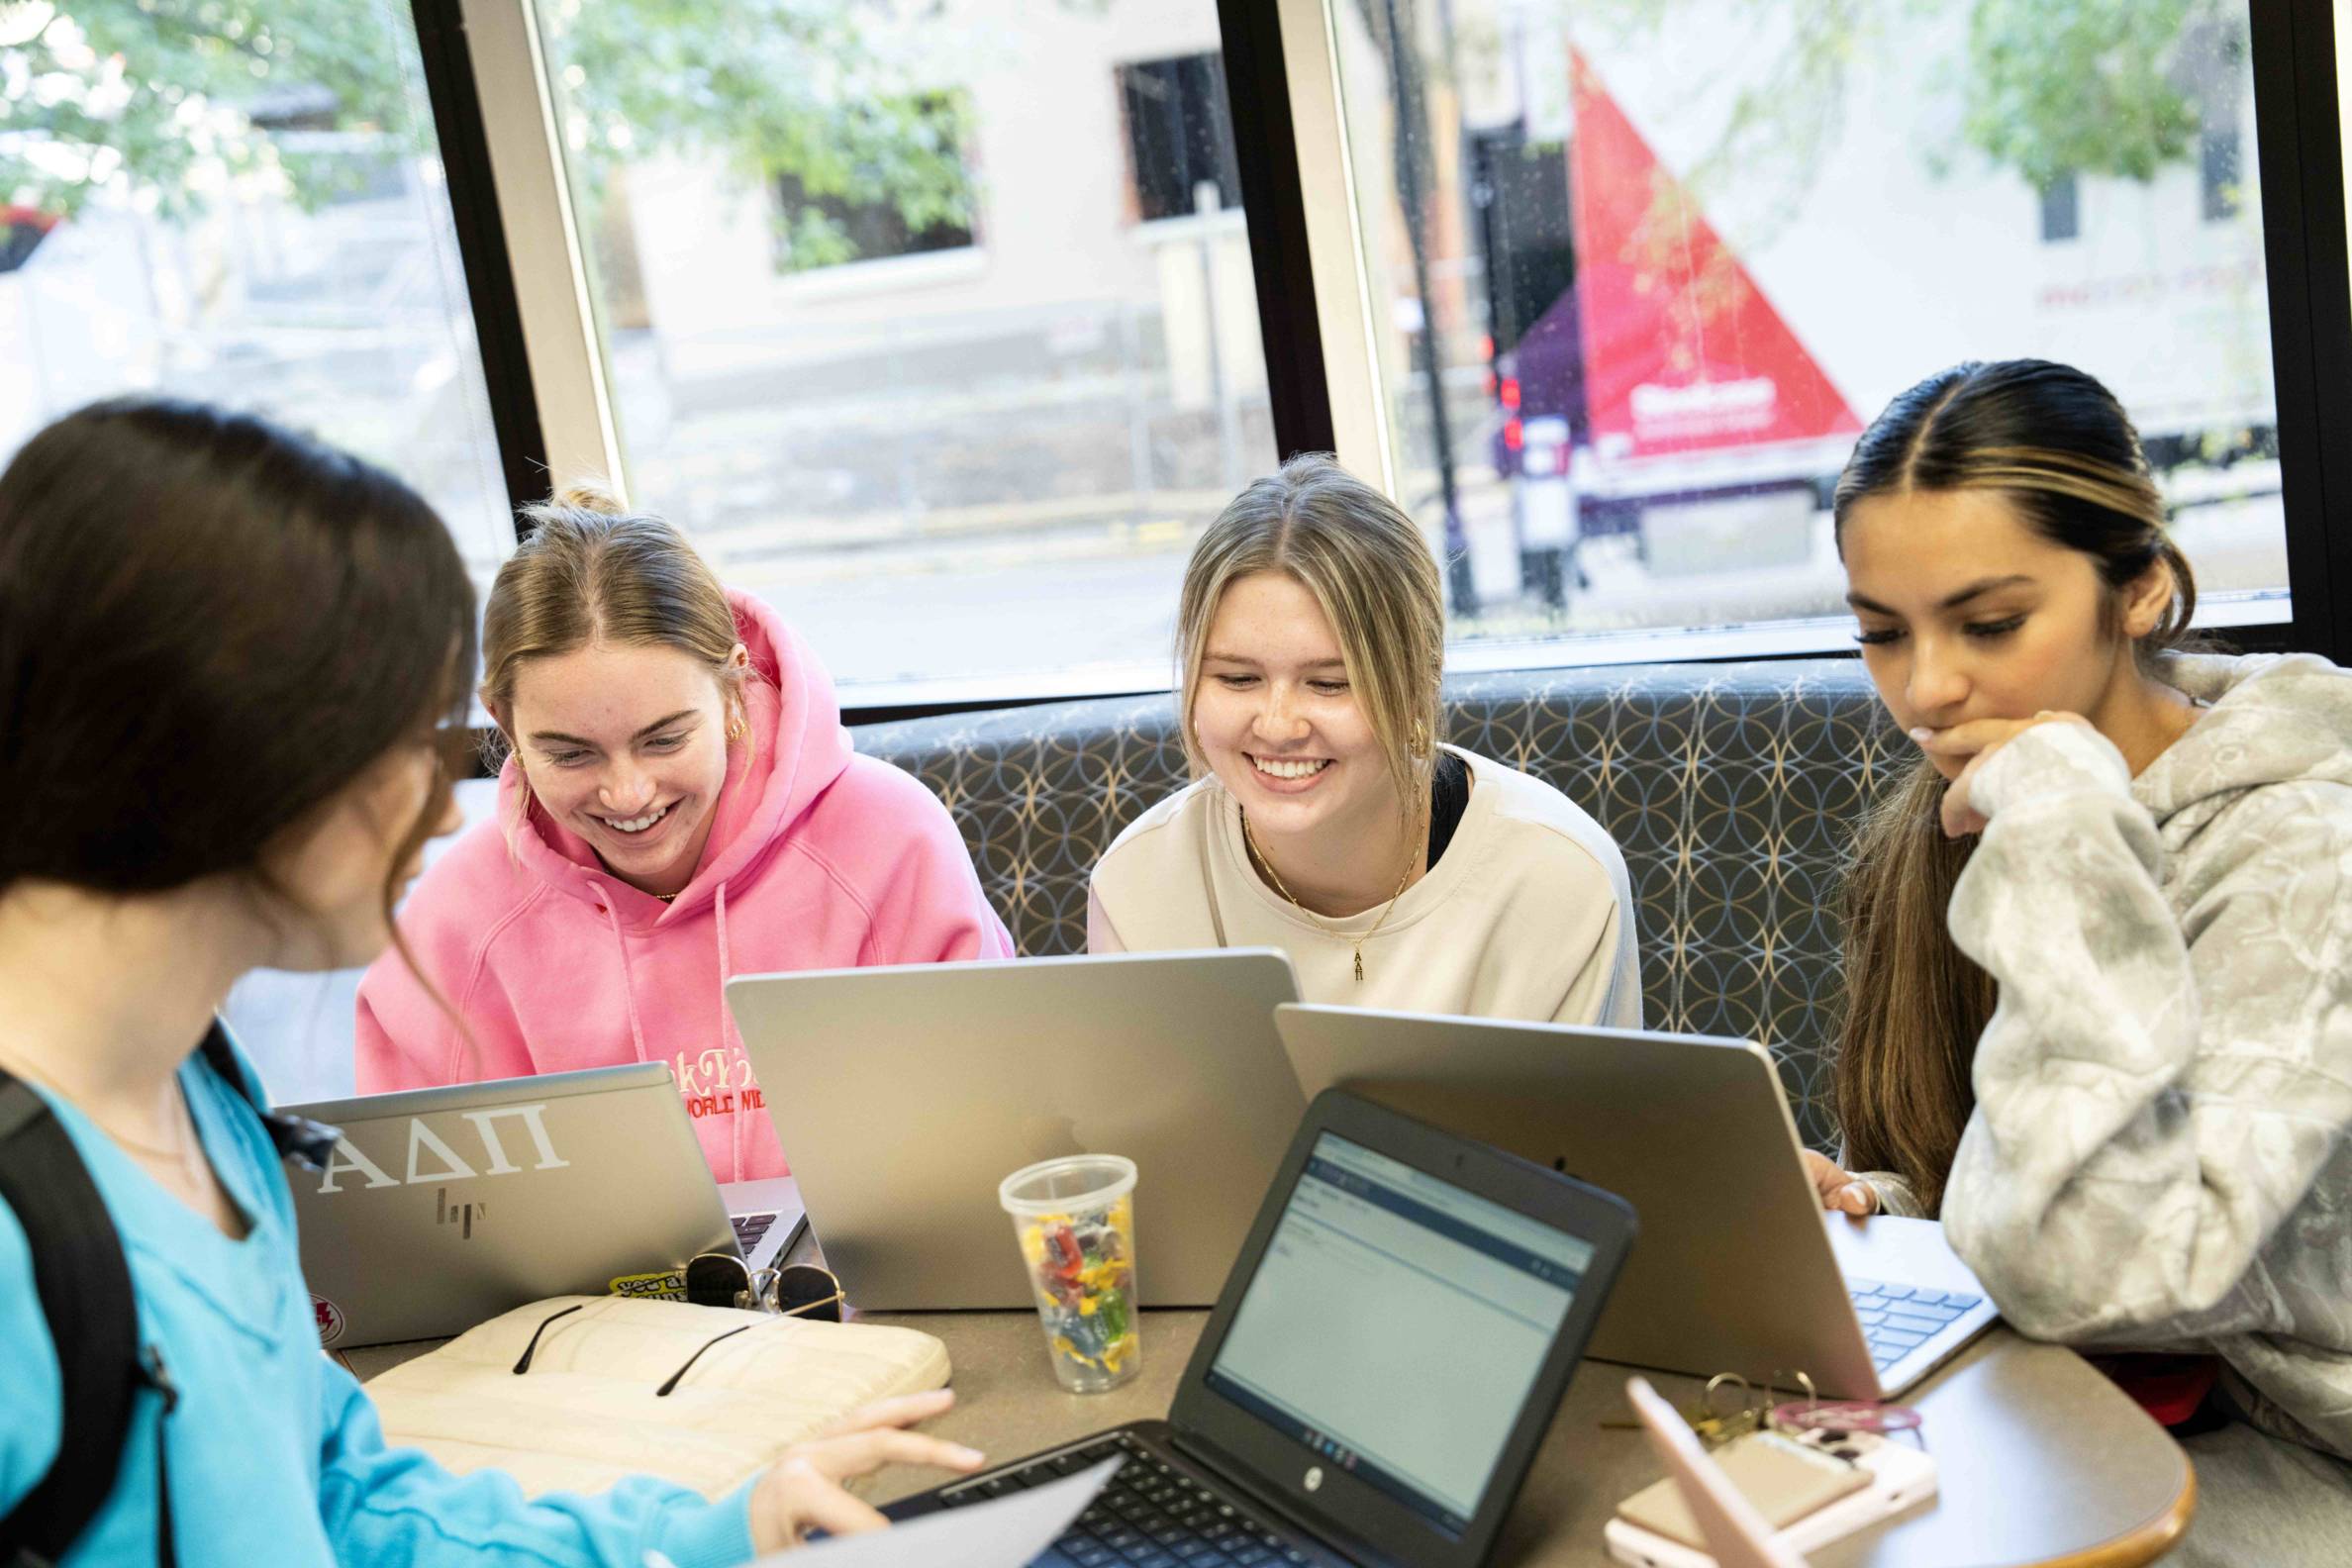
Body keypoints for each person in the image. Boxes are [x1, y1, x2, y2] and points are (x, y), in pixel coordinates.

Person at [0, 399, 983, 1563]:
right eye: (403, 742)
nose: (440, 803)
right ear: (231, 751)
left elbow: (348, 1501)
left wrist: (720, 1532)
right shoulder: (29, 1219)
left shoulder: (203, 1095)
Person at [1799, 359, 2352, 1561]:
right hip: (2098, 1394)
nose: (1927, 690)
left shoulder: (2305, 849)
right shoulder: (1963, 816)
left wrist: (2058, 831)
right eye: (1882, 634)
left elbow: (2105, 1267)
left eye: (1991, 624)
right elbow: (2020, 1184)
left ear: (2140, 588)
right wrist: (1874, 1207)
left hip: (2308, 1450)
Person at [355, 488, 1012, 1182]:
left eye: (664, 740)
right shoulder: (457, 922)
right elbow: (423, 1219)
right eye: (571, 754)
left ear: (732, 688)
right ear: (503, 719)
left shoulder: (890, 841)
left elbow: (1003, 1130)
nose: (628, 794)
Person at [1088, 453, 1639, 1024]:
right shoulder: (1138, 883)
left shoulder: (1556, 876)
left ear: (1419, 680)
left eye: (1330, 684)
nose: (1278, 725)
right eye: (1238, 678)